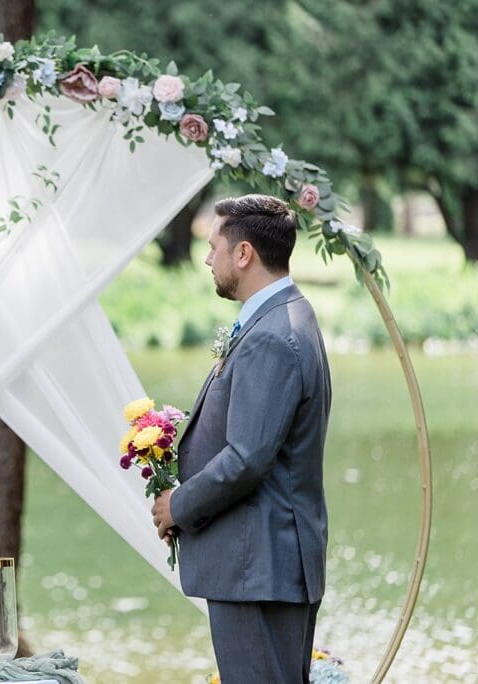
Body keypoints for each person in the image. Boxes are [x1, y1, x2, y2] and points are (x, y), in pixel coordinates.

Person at [151, 194, 332, 682]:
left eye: (214, 247)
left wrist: (179, 506)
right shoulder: (287, 315)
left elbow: (248, 458)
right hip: (264, 566)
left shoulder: (274, 334)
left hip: (259, 569)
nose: (208, 258)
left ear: (244, 253)